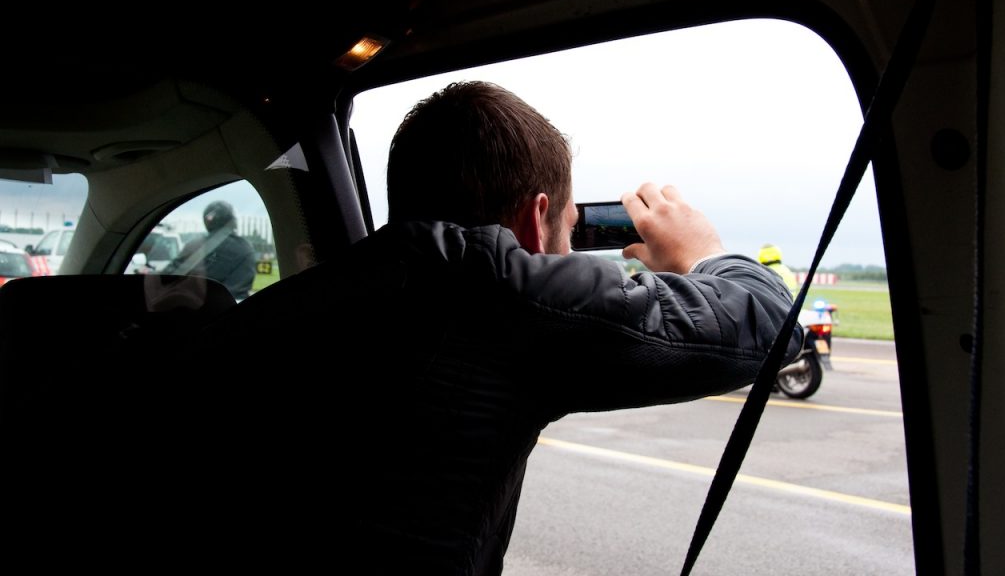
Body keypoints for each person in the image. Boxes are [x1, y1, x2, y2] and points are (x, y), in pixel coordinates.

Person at [190, 81, 802, 574]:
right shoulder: (502, 289)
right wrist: (704, 251)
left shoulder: (316, 293)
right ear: (536, 222)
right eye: (565, 231)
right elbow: (771, 321)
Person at [162, 200, 256, 301]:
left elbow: (167, 277)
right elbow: (239, 291)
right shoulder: (245, 248)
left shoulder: (193, 245)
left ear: (207, 221)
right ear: (231, 219)